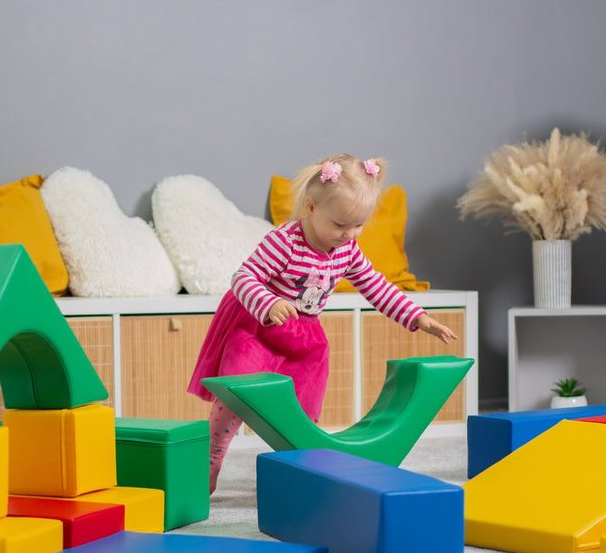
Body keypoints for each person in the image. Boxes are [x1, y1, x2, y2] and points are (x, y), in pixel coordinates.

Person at [187, 153, 459, 493]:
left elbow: (376, 286)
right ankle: (212, 457)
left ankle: (303, 464)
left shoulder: (347, 249)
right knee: (239, 391)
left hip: (302, 335)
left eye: (358, 225)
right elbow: (243, 277)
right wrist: (270, 303)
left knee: (304, 403)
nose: (348, 235)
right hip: (258, 324)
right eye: (340, 225)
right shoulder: (284, 241)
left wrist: (417, 317)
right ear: (312, 207)